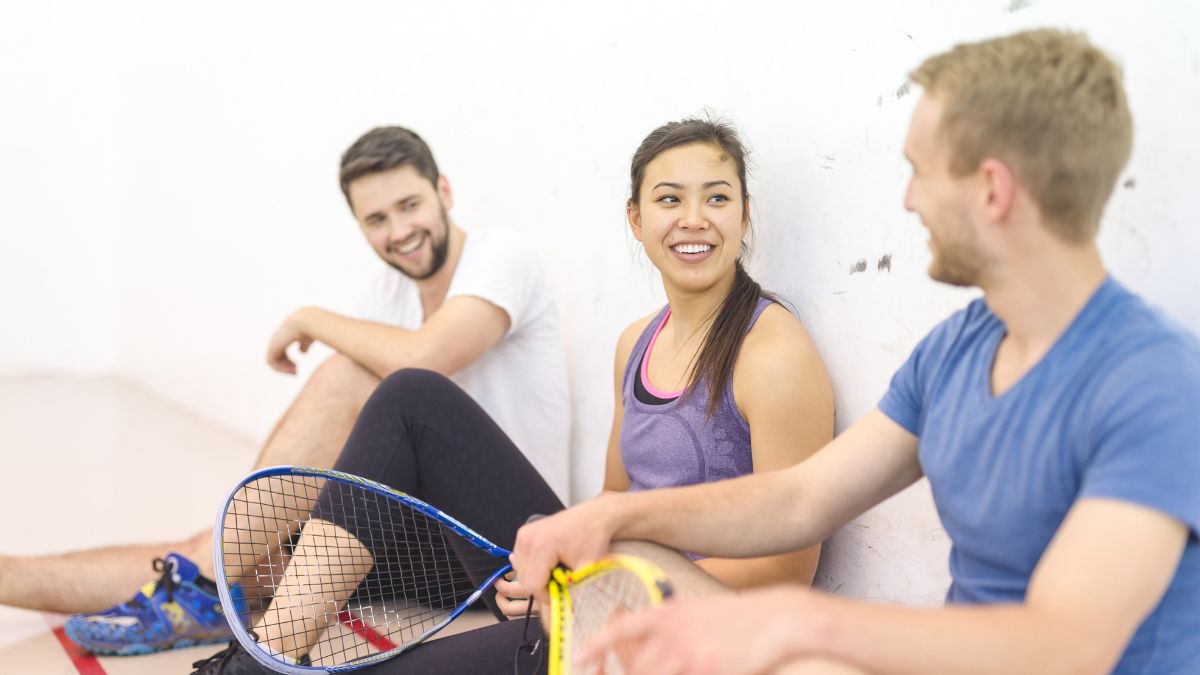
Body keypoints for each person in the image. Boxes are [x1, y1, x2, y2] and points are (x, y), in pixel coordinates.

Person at [510, 29, 1200, 675]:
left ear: (992, 189)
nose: (907, 200)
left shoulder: (1155, 380)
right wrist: (611, 515)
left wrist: (798, 620)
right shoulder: (959, 348)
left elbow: (1064, 644)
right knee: (625, 551)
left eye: (920, 172)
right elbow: (801, 496)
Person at [189, 117, 835, 674]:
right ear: (637, 220)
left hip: (690, 634)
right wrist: (560, 570)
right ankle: (258, 662)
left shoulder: (773, 353)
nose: (693, 219)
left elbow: (786, 570)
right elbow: (617, 504)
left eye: (716, 198)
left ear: (745, 214)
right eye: (670, 199)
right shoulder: (637, 341)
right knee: (412, 398)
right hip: (605, 595)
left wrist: (603, 591)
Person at [0, 126, 571, 655]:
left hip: (501, 535)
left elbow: (422, 358)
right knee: (232, 559)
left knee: (348, 377)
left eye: (409, 205)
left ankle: (201, 583)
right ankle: (19, 578)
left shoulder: (502, 257)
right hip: (417, 536)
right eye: (376, 219)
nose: (398, 231)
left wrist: (306, 317)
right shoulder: (386, 295)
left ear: (443, 191)